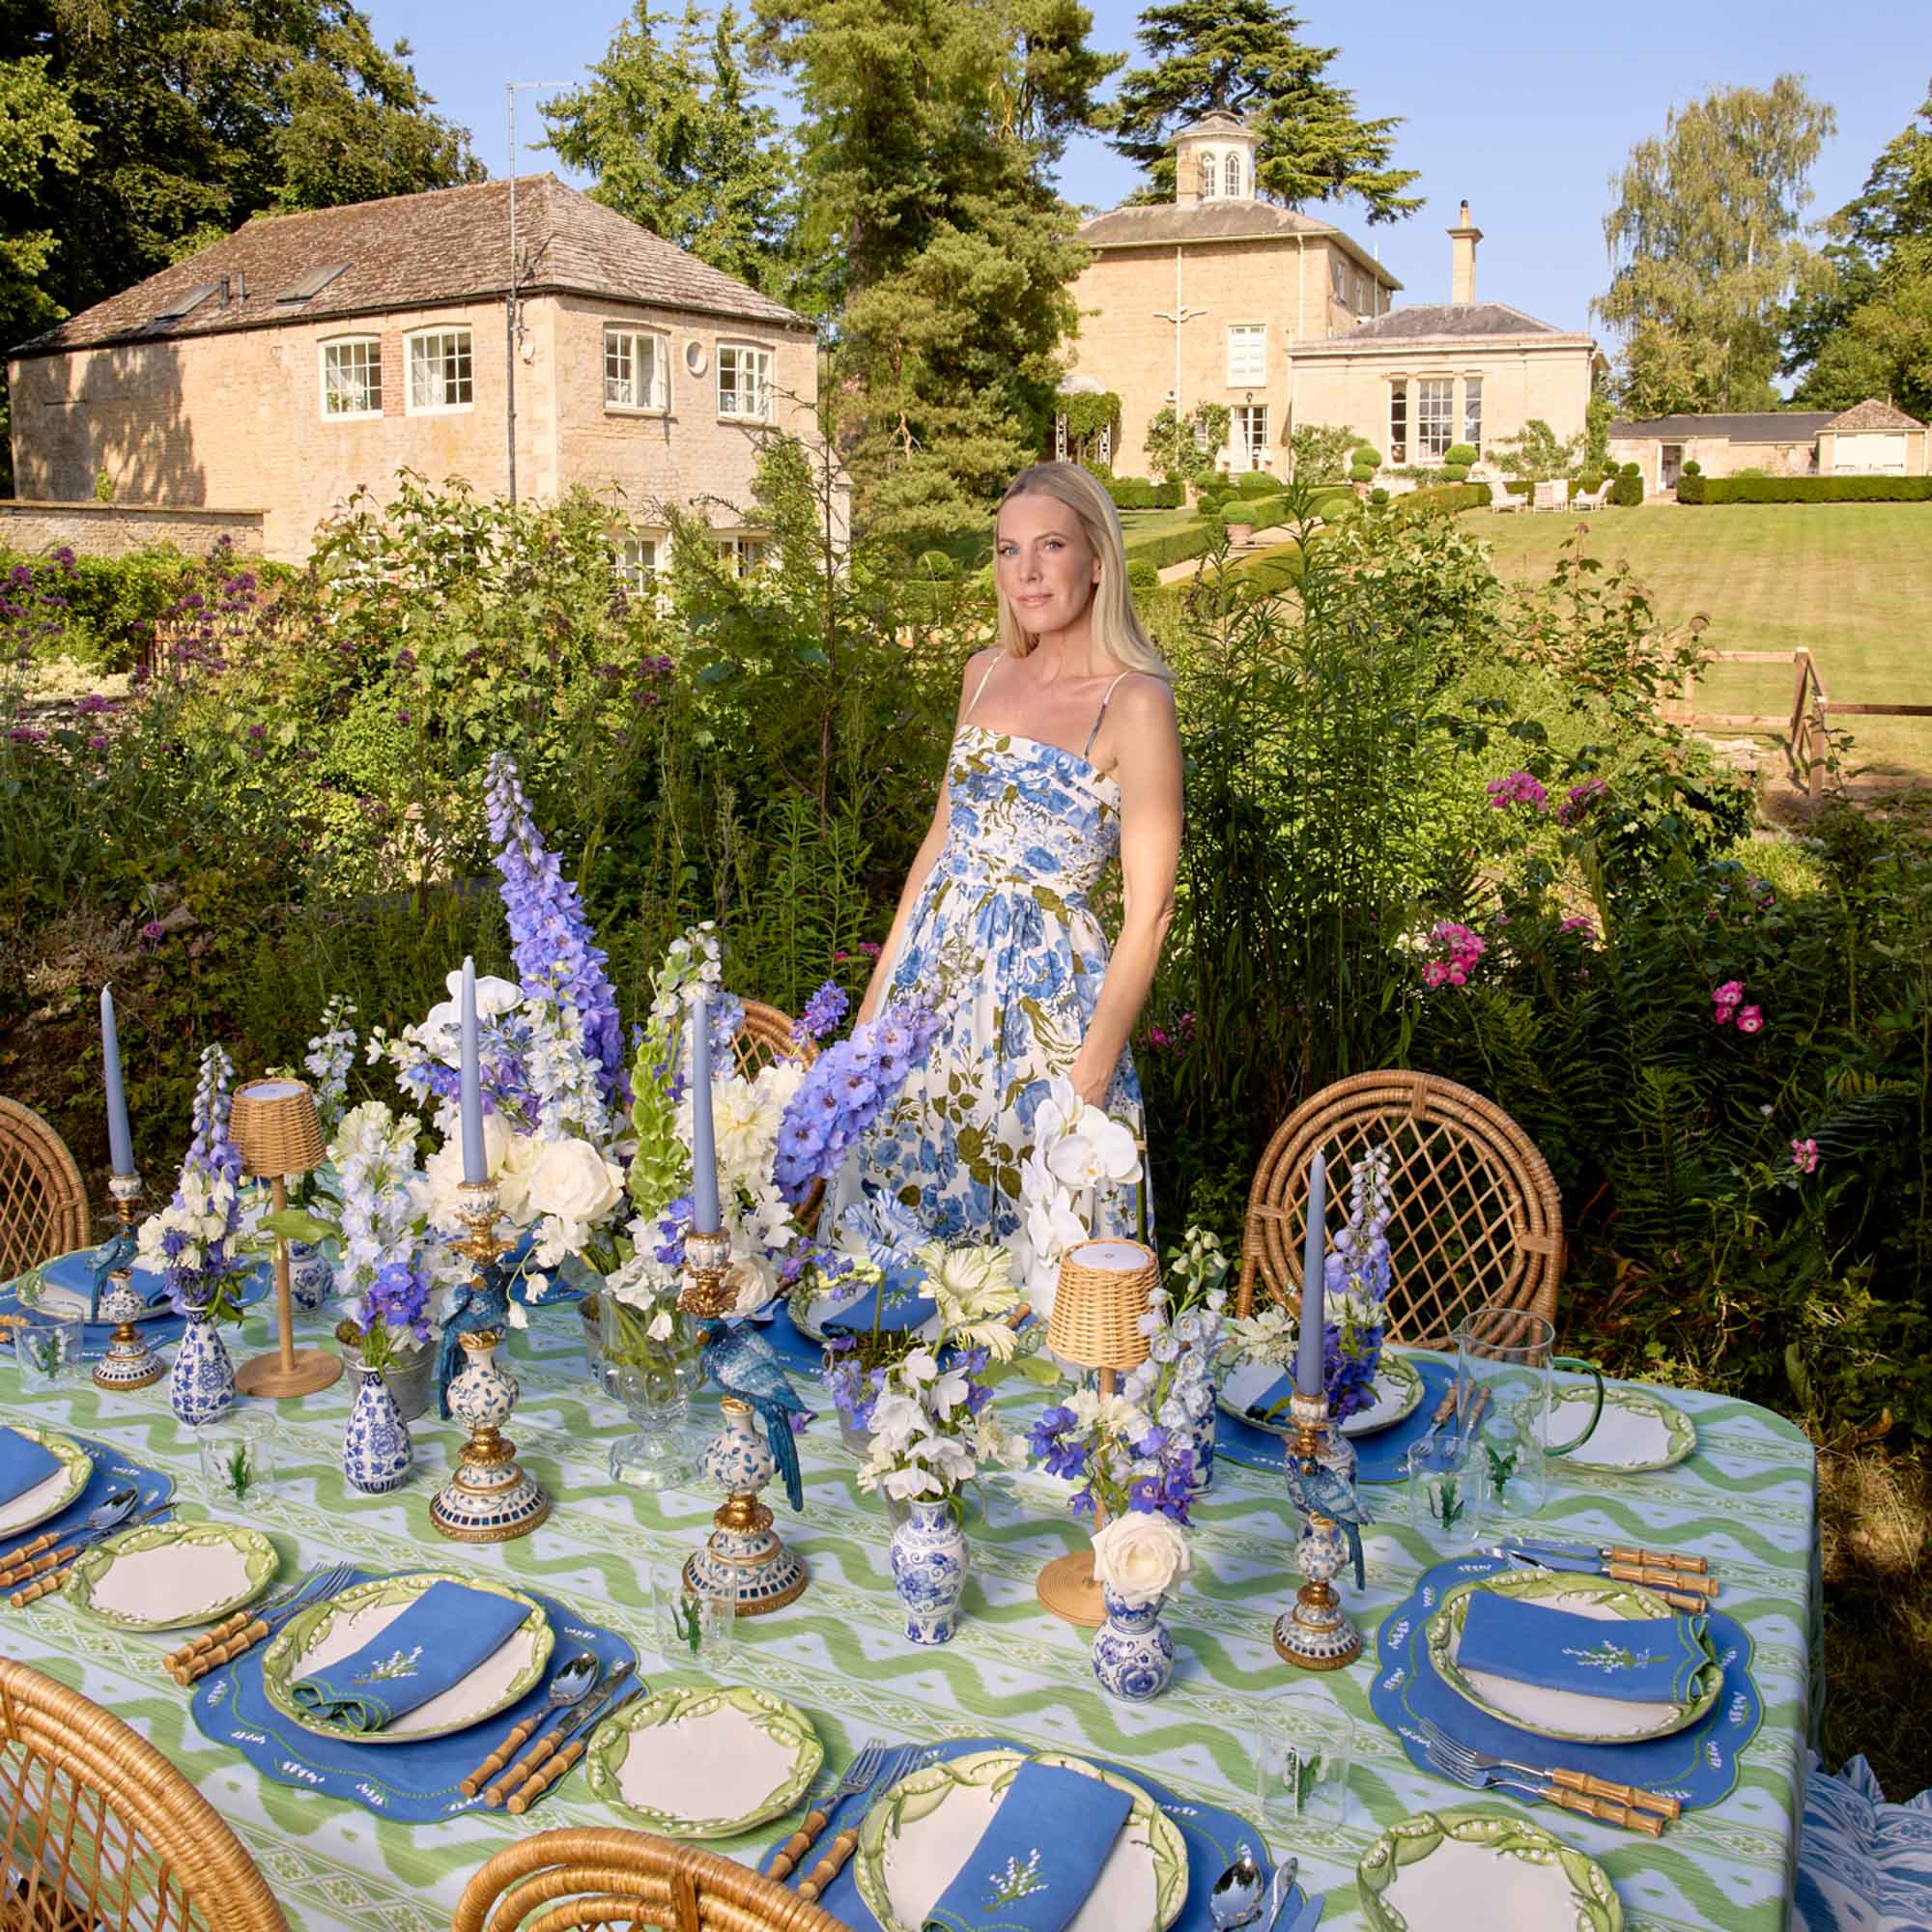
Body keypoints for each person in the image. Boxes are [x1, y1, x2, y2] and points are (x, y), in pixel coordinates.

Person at [840, 461, 1183, 1250]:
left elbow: (1151, 914)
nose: (1026, 571)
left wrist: (1089, 1077)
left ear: (1097, 560)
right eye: (1007, 549)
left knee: (1043, 1263)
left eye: (1051, 545)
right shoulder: (985, 671)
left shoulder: (1134, 702)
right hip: (928, 1003)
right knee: (896, 1254)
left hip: (1046, 1020)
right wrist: (873, 1007)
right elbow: (941, 839)